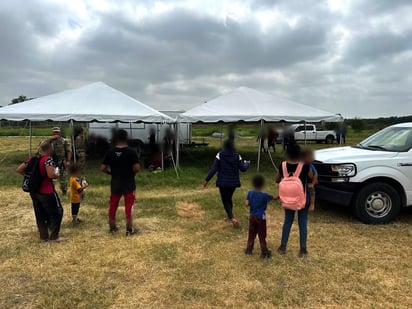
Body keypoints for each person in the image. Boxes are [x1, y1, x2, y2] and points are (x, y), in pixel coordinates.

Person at [16, 141, 65, 242]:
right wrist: (57, 174)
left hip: (34, 191)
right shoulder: (47, 160)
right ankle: (54, 236)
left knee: (40, 213)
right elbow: (51, 175)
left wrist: (32, 178)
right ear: (49, 149)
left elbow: (19, 169)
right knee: (57, 212)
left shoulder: (32, 159)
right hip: (46, 191)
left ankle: (44, 236)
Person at [276, 144, 314, 257]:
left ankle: (283, 246)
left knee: (288, 221)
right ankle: (303, 249)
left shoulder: (282, 165)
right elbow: (311, 177)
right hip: (302, 198)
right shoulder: (305, 165)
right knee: (302, 223)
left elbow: (277, 180)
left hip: (288, 200)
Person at [101, 129, 140, 236]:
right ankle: (129, 229)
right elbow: (137, 168)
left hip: (115, 182)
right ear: (126, 138)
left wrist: (110, 173)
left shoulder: (110, 152)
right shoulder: (131, 152)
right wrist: (132, 174)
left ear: (116, 139)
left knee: (113, 204)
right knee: (129, 205)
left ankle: (112, 227)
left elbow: (103, 168)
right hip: (128, 182)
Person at [204, 140, 250, 227]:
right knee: (228, 198)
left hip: (223, 182)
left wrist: (207, 179)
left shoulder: (220, 155)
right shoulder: (237, 155)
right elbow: (243, 168)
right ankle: (230, 217)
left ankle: (232, 218)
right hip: (233, 183)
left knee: (225, 200)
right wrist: (247, 163)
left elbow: (214, 168)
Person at [245, 175, 276, 258]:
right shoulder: (264, 195)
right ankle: (264, 252)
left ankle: (249, 250)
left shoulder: (250, 192)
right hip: (260, 217)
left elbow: (246, 204)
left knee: (251, 234)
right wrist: (281, 195)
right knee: (262, 234)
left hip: (252, 217)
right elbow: (275, 198)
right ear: (262, 185)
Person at [49, 127, 72, 195]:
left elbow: (69, 151)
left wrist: (68, 161)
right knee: (51, 177)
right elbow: (42, 147)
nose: (56, 134)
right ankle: (51, 191)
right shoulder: (49, 141)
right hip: (52, 161)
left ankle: (64, 191)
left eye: (57, 132)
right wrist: (51, 139)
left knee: (63, 177)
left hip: (62, 161)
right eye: (55, 132)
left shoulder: (64, 141)